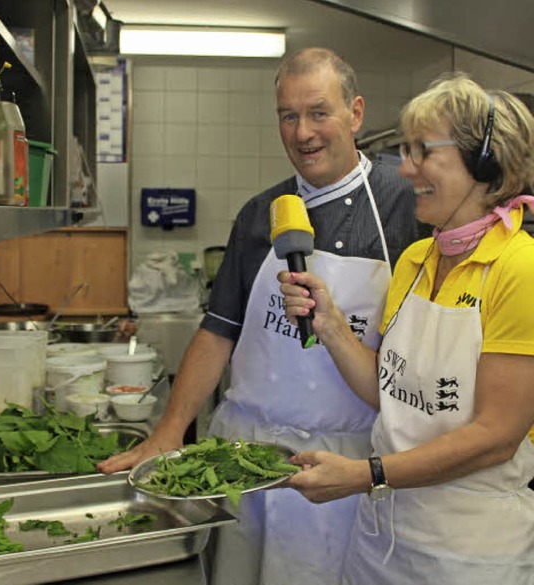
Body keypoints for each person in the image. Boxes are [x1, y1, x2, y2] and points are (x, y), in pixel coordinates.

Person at [98, 47, 419, 585]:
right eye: (288, 116)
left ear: (356, 114)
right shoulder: (259, 215)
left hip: (338, 465)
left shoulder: (406, 210)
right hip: (244, 457)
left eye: (319, 112)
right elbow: (218, 331)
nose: (303, 133)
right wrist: (169, 430)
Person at [278, 73, 534, 584]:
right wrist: (329, 326)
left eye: (422, 151)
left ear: (483, 164)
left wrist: (364, 474)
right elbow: (391, 393)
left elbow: (495, 438)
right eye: (405, 149)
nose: (407, 168)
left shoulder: (520, 270)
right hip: (383, 538)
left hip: (470, 551)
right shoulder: (417, 259)